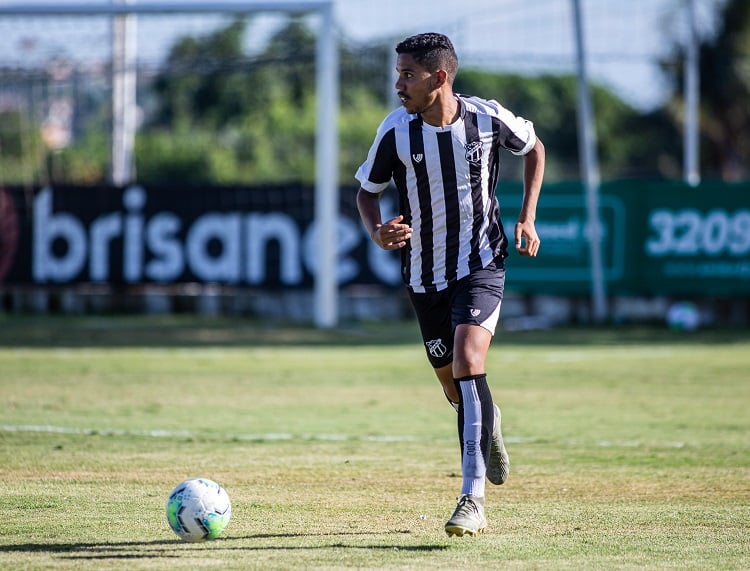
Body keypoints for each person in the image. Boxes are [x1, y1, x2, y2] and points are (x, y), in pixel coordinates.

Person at [355, 32, 545, 537]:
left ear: (438, 77)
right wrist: (377, 230)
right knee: (456, 386)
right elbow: (367, 193)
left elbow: (534, 148)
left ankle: (471, 499)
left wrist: (527, 219)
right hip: (424, 275)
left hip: (482, 263)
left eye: (407, 74)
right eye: (397, 73)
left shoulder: (487, 118)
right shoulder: (396, 132)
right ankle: (488, 418)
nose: (399, 83)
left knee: (468, 361)